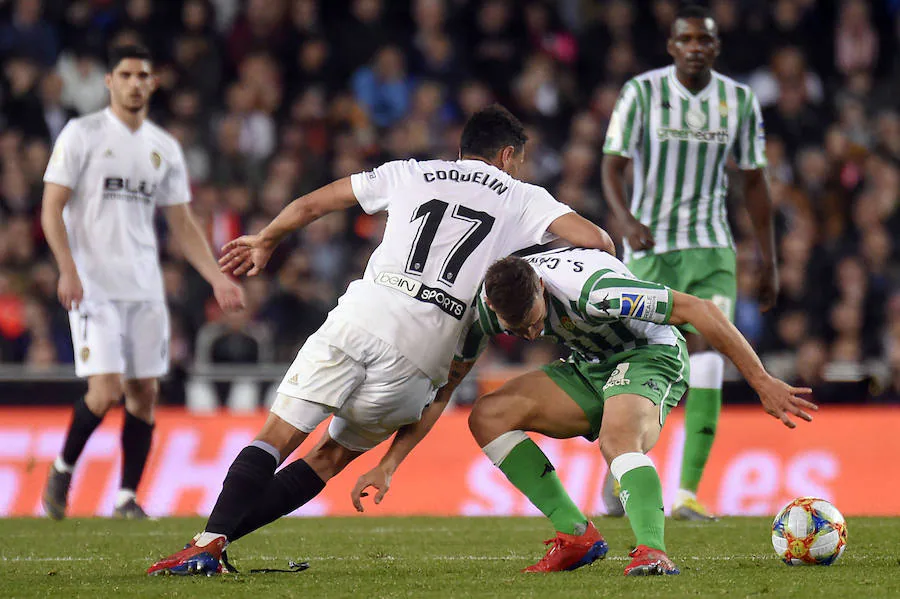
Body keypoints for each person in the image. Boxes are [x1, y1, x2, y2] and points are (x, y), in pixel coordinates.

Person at [147, 104, 614, 575]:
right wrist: (529, 274)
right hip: (425, 354)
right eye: (518, 161)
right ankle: (210, 543)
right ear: (507, 155)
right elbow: (599, 242)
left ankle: (207, 545)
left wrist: (267, 238)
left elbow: (314, 204)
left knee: (278, 435)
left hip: (365, 316)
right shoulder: (522, 196)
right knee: (327, 460)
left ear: (461, 149)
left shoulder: (411, 172)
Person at [352, 248, 813, 576]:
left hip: (647, 355)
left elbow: (701, 310)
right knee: (487, 415)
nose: (531, 332)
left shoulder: (598, 292)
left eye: (534, 319)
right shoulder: (489, 311)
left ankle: (653, 550)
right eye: (520, 330)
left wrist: (762, 381)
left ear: (541, 287)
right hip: (587, 365)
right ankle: (577, 536)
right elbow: (445, 387)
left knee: (617, 441)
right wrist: (390, 463)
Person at [40, 44, 245, 520]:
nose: (135, 83)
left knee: (145, 394)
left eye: (143, 75)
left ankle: (126, 497)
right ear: (109, 81)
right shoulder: (82, 134)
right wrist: (67, 268)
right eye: (126, 74)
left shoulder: (163, 147)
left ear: (153, 84)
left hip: (145, 287)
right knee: (105, 390)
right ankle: (62, 466)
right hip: (94, 285)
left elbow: (182, 223)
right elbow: (51, 207)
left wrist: (216, 277)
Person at [600, 4, 777, 520]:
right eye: (687, 40)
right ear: (672, 46)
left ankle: (686, 495)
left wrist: (770, 260)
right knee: (642, 358)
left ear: (715, 48)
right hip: (651, 249)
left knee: (708, 353)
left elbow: (754, 181)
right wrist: (626, 221)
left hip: (710, 246)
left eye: (706, 40)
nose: (696, 47)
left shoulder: (739, 100)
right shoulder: (641, 93)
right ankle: (622, 466)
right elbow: (611, 168)